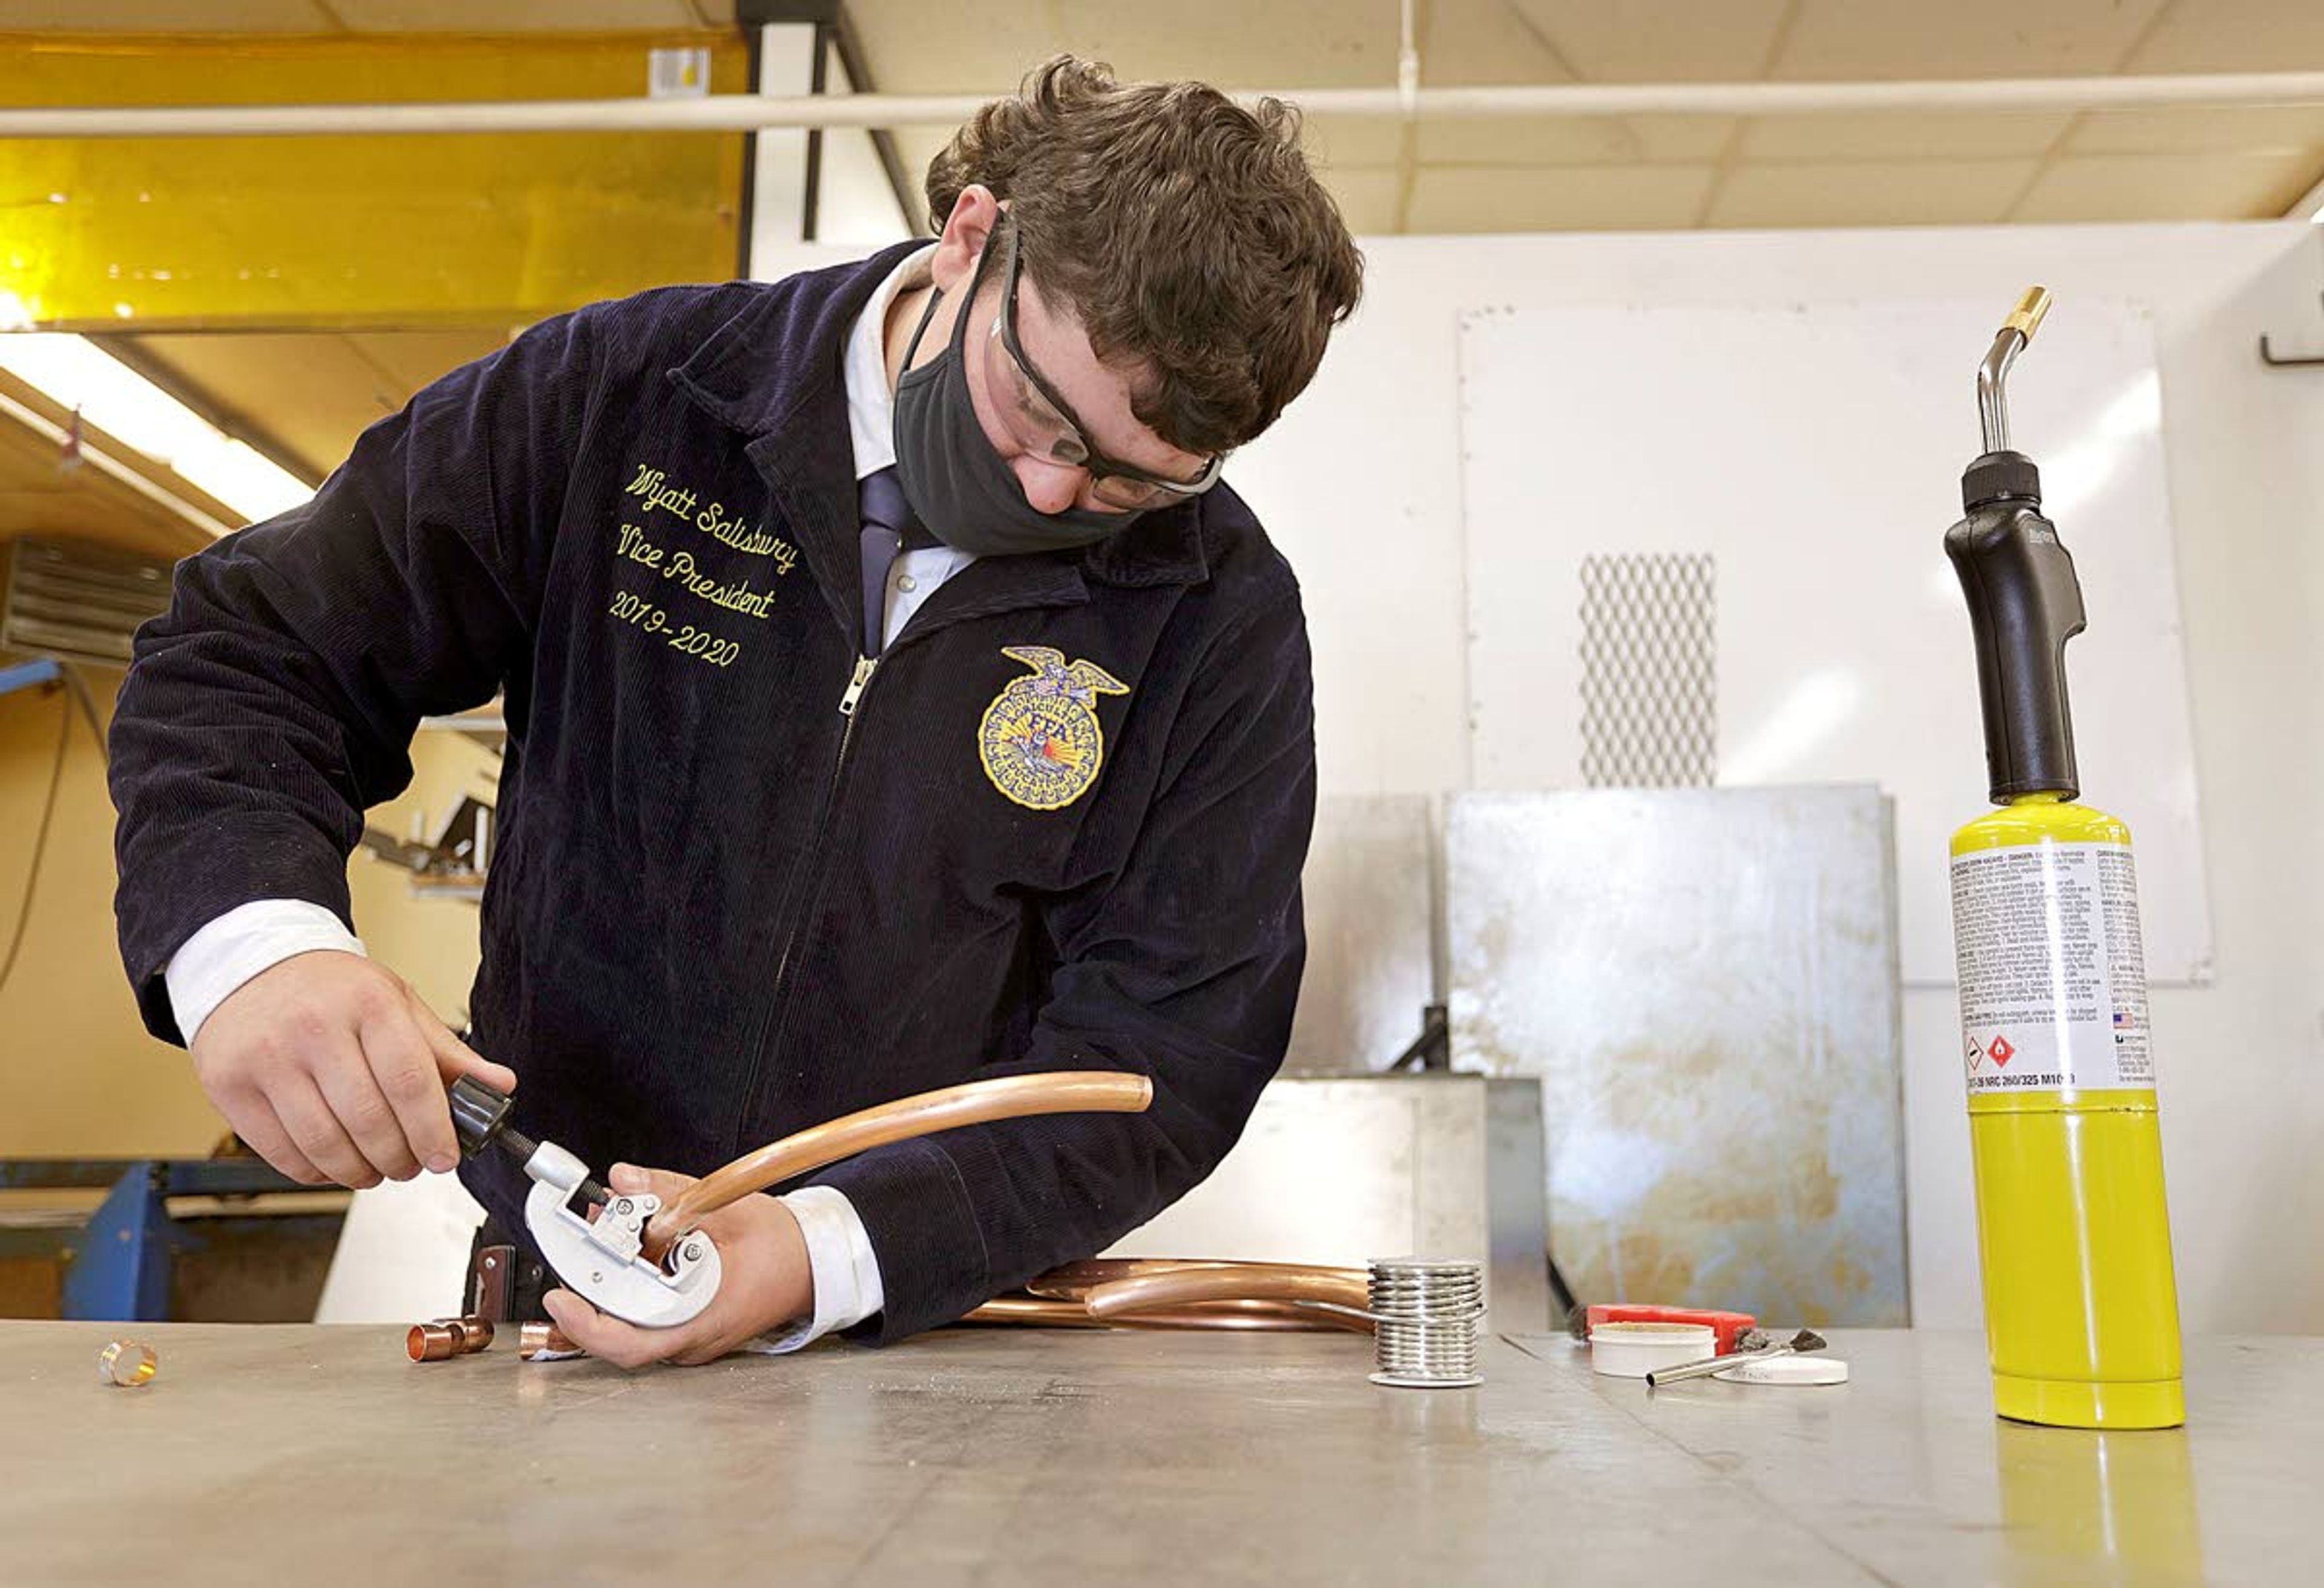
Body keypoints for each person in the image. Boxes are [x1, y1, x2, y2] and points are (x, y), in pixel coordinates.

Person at [108, 56, 1362, 1367]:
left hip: (927, 1332)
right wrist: (254, 946)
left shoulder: (1217, 619)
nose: (1053, 494)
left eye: (1129, 480)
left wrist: (830, 1245)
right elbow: (252, 649)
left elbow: (1169, 1053)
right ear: (973, 237)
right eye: (1034, 410)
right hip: (550, 1293)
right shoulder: (632, 394)